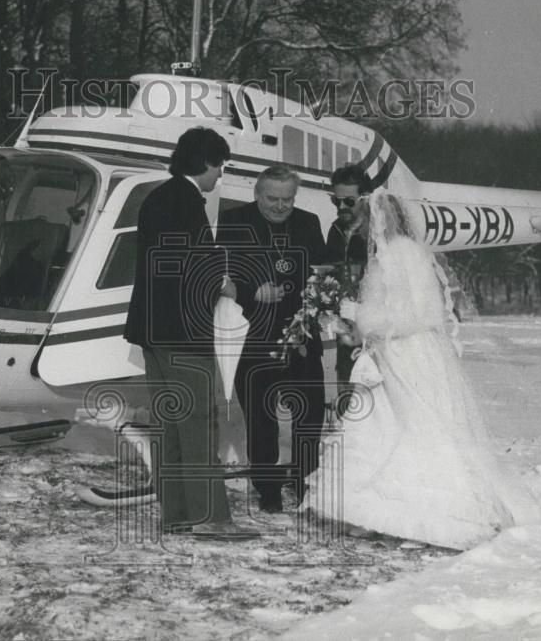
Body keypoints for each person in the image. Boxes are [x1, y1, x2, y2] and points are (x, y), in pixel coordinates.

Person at [303, 191, 540, 550]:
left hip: (408, 352)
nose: (361, 227)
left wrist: (365, 325)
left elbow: (419, 313)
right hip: (391, 350)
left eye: (365, 220)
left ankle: (408, 507)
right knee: (383, 423)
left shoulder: (402, 255)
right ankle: (364, 509)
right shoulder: (390, 254)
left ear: (379, 220)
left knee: (415, 425)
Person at [123, 127, 253, 539]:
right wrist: (228, 282)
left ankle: (177, 514)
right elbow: (193, 264)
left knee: (170, 426)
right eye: (220, 166)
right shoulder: (187, 202)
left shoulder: (156, 198)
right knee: (198, 424)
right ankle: (211, 517)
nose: (220, 176)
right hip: (182, 333)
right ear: (206, 162)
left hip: (151, 330)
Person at [217, 166, 327, 513]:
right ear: (257, 194)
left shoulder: (309, 223)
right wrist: (253, 293)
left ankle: (303, 481)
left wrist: (312, 315)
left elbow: (323, 275)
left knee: (309, 417)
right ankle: (267, 491)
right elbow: (218, 275)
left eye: (288, 199)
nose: (281, 206)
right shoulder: (233, 221)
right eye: (273, 199)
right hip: (254, 338)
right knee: (261, 420)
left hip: (302, 337)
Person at [325, 165, 372, 407]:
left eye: (349, 201)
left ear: (364, 198)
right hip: (346, 324)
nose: (341, 207)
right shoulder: (335, 230)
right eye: (336, 201)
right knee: (346, 380)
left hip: (376, 324)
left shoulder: (378, 230)